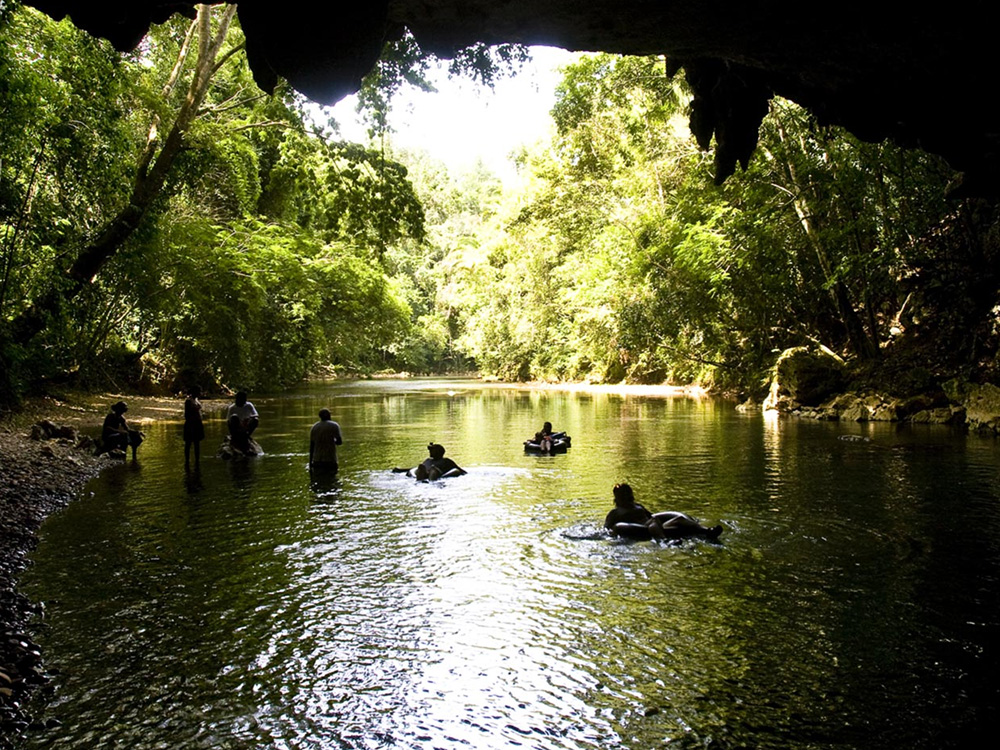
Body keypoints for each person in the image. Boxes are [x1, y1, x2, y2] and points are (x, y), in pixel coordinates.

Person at [604, 483, 722, 541]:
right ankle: (664, 541)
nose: (626, 496)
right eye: (623, 495)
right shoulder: (615, 513)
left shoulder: (638, 506)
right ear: (618, 498)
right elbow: (606, 529)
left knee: (679, 519)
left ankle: (707, 531)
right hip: (638, 529)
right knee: (653, 521)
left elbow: (652, 516)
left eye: (627, 493)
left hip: (654, 527)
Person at [394, 442, 467, 480]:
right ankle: (422, 477)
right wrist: (400, 470)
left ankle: (430, 478)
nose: (430, 452)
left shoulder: (446, 461)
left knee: (433, 470)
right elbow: (414, 468)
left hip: (435, 474)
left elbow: (461, 471)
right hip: (425, 473)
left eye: (432, 451)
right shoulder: (428, 460)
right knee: (421, 467)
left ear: (438, 452)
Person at [309, 408, 343, 472]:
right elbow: (339, 442)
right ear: (329, 415)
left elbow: (312, 446)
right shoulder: (334, 425)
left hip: (317, 460)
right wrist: (332, 441)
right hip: (330, 459)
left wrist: (310, 463)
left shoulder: (314, 427)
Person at [183, 385, 205, 468]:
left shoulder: (195, 400)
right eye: (199, 392)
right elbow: (187, 414)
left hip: (197, 424)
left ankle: (196, 461)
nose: (200, 393)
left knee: (196, 444)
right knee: (188, 443)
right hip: (191, 424)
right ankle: (187, 461)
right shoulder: (189, 401)